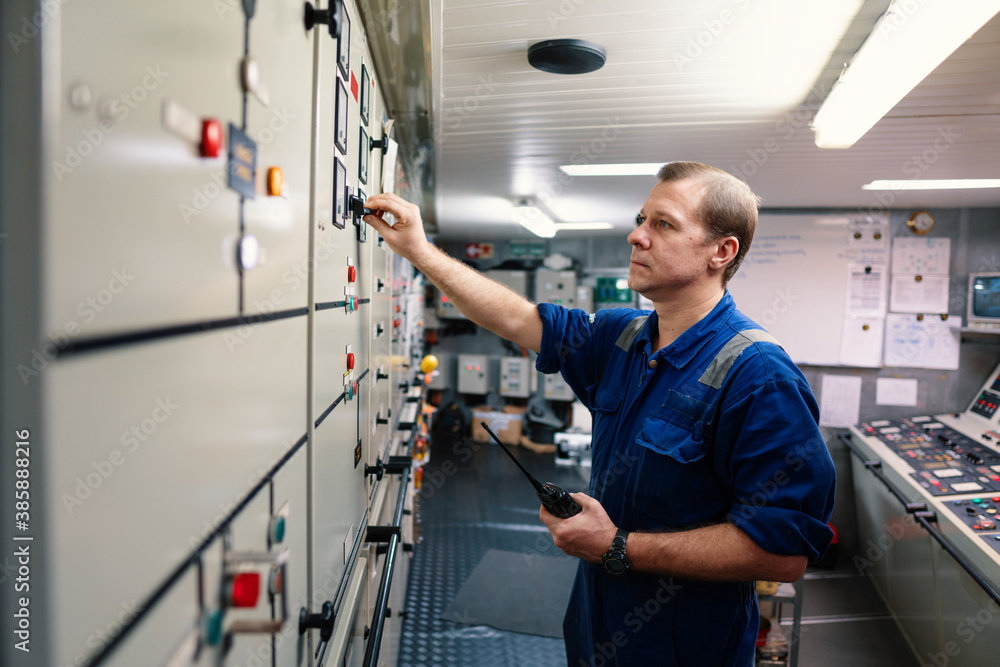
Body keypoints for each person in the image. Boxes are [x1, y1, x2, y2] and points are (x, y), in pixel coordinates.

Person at [363, 161, 836, 667]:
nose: (636, 236)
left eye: (664, 224)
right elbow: (518, 318)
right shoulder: (623, 338)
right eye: (641, 218)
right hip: (595, 627)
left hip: (682, 648)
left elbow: (782, 553)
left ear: (721, 252)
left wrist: (618, 545)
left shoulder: (759, 376)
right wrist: (417, 251)